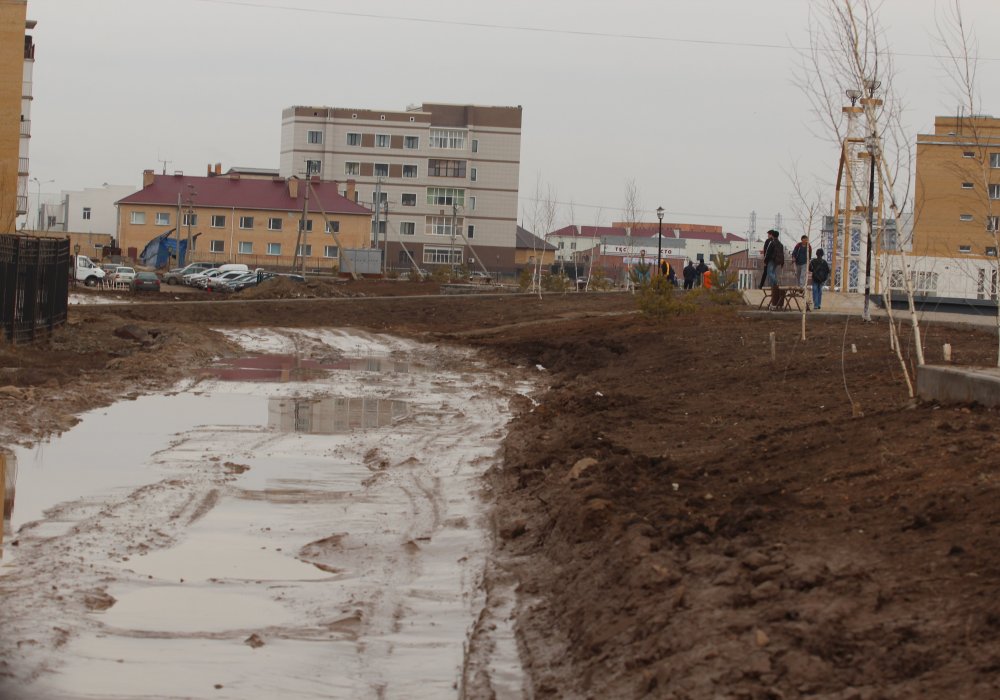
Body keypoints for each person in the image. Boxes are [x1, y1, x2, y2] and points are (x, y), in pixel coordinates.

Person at [762, 229, 785, 309]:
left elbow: (768, 252)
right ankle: (773, 287)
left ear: (772, 235)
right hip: (778, 261)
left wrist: (765, 260)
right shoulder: (781, 244)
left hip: (771, 259)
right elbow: (782, 253)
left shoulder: (771, 242)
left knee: (769, 272)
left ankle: (775, 283)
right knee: (773, 272)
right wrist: (782, 262)